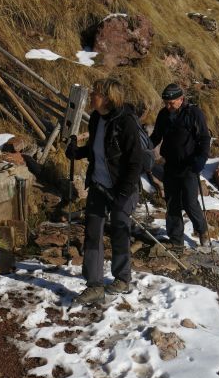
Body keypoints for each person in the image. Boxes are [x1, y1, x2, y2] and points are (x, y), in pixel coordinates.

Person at [65, 77, 142, 305]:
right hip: (99, 185)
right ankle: (94, 285)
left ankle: (122, 278)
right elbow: (95, 150)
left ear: (108, 98)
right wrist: (76, 152)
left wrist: (123, 194)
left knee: (119, 232)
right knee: (93, 232)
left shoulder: (126, 122)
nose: (91, 95)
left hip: (122, 188)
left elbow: (135, 162)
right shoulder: (97, 119)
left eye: (95, 93)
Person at [150, 83, 211, 249]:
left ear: (181, 99)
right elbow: (156, 136)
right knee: (172, 202)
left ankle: (202, 230)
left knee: (190, 202)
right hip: (170, 164)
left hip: (189, 166)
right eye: (166, 103)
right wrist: (145, 147)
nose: (168, 106)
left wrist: (201, 159)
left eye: (171, 103)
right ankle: (176, 241)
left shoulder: (193, 113)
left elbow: (204, 138)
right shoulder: (163, 114)